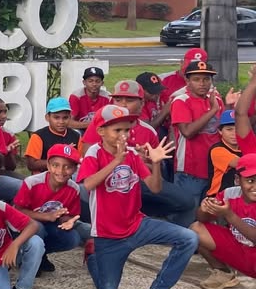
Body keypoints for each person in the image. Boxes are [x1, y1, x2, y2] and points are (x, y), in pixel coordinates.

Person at [79, 104, 196, 289]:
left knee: (188, 238)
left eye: (126, 129)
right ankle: (93, 254)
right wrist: (116, 161)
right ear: (101, 131)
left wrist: (156, 164)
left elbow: (155, 188)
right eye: (117, 130)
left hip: (138, 224)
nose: (123, 135)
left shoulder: (132, 154)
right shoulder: (94, 153)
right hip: (108, 235)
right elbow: (87, 185)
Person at [85, 79, 195, 228]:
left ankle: (164, 229)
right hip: (108, 182)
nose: (123, 104)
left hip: (141, 182)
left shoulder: (148, 131)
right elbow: (87, 159)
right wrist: (127, 159)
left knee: (186, 201)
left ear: (142, 103)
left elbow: (156, 173)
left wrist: (147, 162)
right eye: (118, 99)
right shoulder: (101, 125)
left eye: (129, 100)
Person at [13, 145, 85, 273]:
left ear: (74, 169)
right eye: (55, 165)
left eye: (68, 167)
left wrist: (67, 221)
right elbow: (17, 211)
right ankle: (26, 258)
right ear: (48, 165)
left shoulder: (74, 188)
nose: (61, 171)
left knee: (73, 238)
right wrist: (47, 216)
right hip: (25, 226)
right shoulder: (32, 182)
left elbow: (68, 214)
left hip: (50, 225)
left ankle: (40, 254)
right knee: (38, 227)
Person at [193, 154, 256, 289]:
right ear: (237, 180)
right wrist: (205, 209)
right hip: (240, 250)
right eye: (250, 181)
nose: (255, 186)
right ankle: (223, 273)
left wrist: (229, 215)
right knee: (195, 230)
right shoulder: (230, 194)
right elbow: (202, 219)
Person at [170, 60, 228, 206]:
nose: (202, 83)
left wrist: (228, 105)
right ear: (187, 81)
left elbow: (224, 129)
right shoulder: (181, 101)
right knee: (187, 212)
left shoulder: (216, 100)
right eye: (196, 79)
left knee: (209, 212)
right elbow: (187, 132)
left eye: (206, 79)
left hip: (214, 168)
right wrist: (213, 110)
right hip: (190, 170)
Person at [24, 97, 81, 173]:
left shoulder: (76, 136)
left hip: (68, 176)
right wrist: (61, 157)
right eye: (56, 118)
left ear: (70, 117)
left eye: (65, 118)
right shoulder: (38, 136)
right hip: (44, 176)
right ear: (47, 117)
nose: (61, 122)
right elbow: (31, 164)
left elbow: (80, 160)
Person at [207, 110, 242, 197]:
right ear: (220, 131)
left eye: (238, 128)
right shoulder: (217, 150)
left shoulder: (245, 148)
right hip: (217, 197)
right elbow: (240, 163)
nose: (234, 133)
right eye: (229, 129)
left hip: (239, 196)